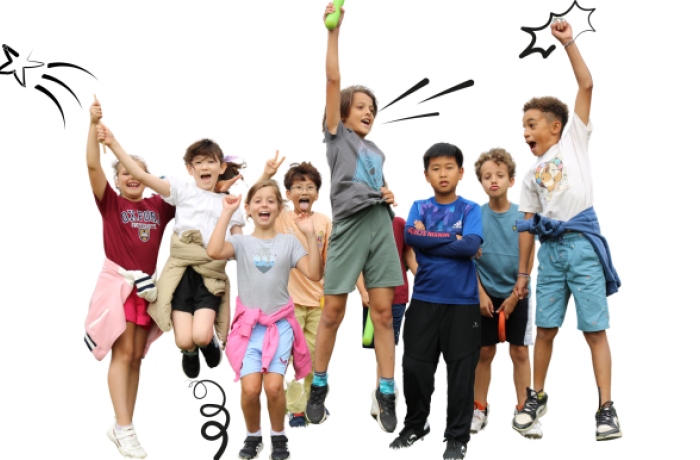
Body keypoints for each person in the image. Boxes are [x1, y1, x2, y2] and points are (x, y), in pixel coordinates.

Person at [267, 2, 403, 433]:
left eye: (372, 109)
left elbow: (374, 188)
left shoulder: (377, 151)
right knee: (333, 312)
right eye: (359, 106)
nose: (368, 112)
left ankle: (386, 391)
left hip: (380, 226)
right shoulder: (336, 137)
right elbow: (333, 78)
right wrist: (333, 33)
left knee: (382, 313)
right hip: (347, 229)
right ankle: (320, 384)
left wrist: (387, 194)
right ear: (341, 113)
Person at [511, 18, 622, 443]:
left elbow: (587, 85)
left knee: (595, 329)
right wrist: (524, 274)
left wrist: (568, 42)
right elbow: (526, 227)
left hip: (583, 247)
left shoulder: (575, 140)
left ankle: (606, 407)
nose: (526, 132)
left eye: (532, 124)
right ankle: (536, 396)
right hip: (551, 254)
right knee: (545, 330)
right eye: (523, 126)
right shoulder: (529, 177)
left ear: (556, 126)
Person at [95, 123, 246, 380]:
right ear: (190, 169)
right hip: (179, 273)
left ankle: (210, 345)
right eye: (198, 162)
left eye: (210, 161)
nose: (205, 167)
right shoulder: (182, 190)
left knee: (201, 335)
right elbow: (142, 176)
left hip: (209, 275)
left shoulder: (229, 204)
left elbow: (239, 248)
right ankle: (188, 353)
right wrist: (113, 144)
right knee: (183, 340)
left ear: (220, 167)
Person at [84, 96, 175, 460]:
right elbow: (93, 166)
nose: (129, 177)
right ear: (117, 181)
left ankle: (122, 423)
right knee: (122, 354)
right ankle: (125, 428)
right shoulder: (112, 203)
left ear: (145, 178)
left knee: (137, 355)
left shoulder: (158, 205)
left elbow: (192, 195)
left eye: (136, 172)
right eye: (122, 172)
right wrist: (93, 127)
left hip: (148, 288)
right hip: (119, 287)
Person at [207, 178, 323, 460]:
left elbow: (314, 272)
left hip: (279, 326)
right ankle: (253, 436)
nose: (264, 205)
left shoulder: (289, 242)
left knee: (273, 387)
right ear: (248, 208)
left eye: (271, 201)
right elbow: (213, 251)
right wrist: (226, 212)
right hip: (248, 329)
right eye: (258, 201)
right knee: (249, 389)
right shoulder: (241, 241)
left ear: (280, 207)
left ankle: (280, 437)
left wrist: (308, 234)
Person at [389, 142, 482, 460]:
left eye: (449, 167)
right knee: (415, 366)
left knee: (460, 371)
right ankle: (415, 425)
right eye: (436, 169)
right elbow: (411, 237)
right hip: (424, 298)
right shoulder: (418, 205)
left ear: (461, 172)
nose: (443, 174)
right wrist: (449, 239)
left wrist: (432, 241)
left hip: (462, 302)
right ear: (426, 175)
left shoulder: (471, 208)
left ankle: (457, 437)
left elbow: (470, 246)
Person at [469, 146, 542, 440]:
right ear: (481, 182)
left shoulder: (523, 214)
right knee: (484, 352)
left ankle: (526, 411)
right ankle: (478, 409)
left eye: (500, 175)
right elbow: (466, 259)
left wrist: (516, 294)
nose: (493, 181)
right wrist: (480, 295)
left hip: (519, 292)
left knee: (519, 352)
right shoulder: (473, 214)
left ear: (512, 180)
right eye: (487, 177)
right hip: (483, 294)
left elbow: (531, 256)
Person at [274, 160, 333, 429]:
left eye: (310, 187)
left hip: (319, 301)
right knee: (295, 356)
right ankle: (297, 408)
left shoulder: (324, 221)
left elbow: (330, 261)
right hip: (288, 301)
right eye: (297, 187)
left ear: (318, 195)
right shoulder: (280, 217)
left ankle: (311, 403)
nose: (303, 191)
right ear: (287, 194)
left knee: (315, 355)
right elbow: (251, 207)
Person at [357, 214, 417, 419]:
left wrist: (426, 284)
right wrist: (363, 291)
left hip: (399, 294)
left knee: (391, 344)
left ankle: (382, 391)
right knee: (379, 345)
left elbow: (409, 255)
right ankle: (381, 389)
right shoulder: (360, 223)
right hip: (372, 295)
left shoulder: (400, 222)